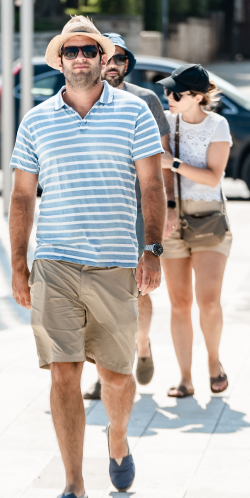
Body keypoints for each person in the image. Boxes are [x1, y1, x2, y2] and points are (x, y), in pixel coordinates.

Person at [9, 15, 165, 498]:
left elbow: (152, 186)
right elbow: (20, 196)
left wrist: (153, 249)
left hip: (116, 262)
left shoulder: (134, 113)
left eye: (90, 51)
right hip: (54, 263)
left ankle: (117, 440)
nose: (81, 58)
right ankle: (74, 484)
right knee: (62, 374)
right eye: (71, 51)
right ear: (59, 60)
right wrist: (18, 264)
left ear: (104, 59)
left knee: (117, 376)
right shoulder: (36, 120)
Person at [82, 33, 172, 401]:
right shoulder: (82, 101)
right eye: (107, 58)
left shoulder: (144, 100)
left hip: (135, 210)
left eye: (120, 59)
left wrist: (167, 213)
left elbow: (163, 161)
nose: (113, 65)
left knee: (136, 290)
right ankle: (106, 374)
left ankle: (143, 344)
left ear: (126, 65)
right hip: (93, 213)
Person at [158, 64, 233, 398]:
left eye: (177, 93)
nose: (169, 97)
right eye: (168, 91)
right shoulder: (163, 120)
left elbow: (213, 176)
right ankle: (185, 378)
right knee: (179, 303)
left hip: (208, 217)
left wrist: (173, 162)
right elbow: (155, 170)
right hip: (171, 219)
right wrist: (168, 208)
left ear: (198, 96)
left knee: (209, 301)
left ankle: (214, 362)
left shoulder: (217, 125)